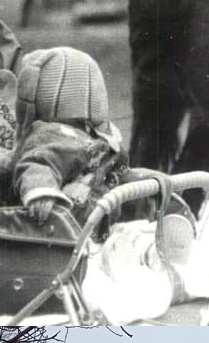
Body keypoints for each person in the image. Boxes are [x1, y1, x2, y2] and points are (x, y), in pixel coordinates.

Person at [10, 46, 127, 224]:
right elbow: (38, 163)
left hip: (104, 221)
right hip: (69, 231)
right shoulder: (50, 135)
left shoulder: (99, 137)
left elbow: (120, 172)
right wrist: (42, 191)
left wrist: (148, 182)